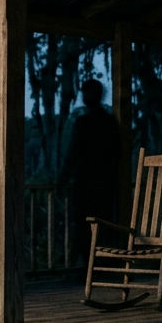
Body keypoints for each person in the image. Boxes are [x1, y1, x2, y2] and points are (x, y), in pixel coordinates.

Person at [60, 79, 120, 266]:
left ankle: (90, 266)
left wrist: (62, 179)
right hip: (103, 184)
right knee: (100, 224)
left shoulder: (84, 123)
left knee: (84, 225)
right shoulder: (109, 122)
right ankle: (98, 264)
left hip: (86, 184)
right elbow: (117, 155)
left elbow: (72, 153)